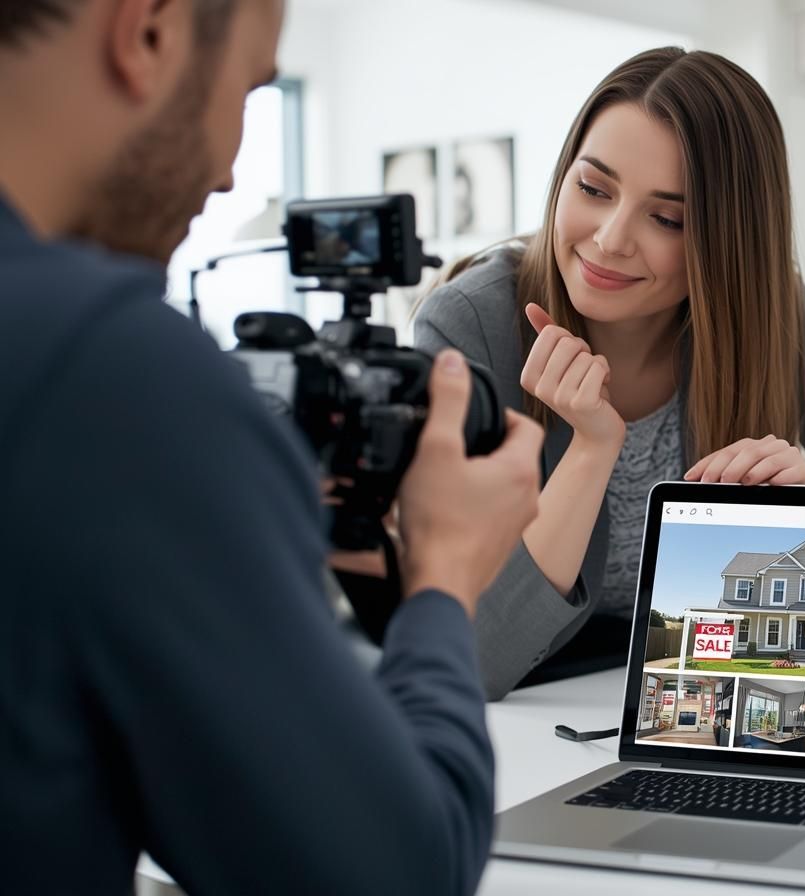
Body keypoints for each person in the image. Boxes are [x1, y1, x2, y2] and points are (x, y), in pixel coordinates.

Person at [0, 1, 544, 893]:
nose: (223, 175)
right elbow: (394, 869)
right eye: (251, 91)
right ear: (150, 31)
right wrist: (443, 571)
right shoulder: (109, 374)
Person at [415, 47, 805, 700]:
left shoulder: (777, 319)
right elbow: (472, 658)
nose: (608, 237)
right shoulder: (471, 325)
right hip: (526, 711)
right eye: (593, 188)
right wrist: (592, 449)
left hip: (701, 701)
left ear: (727, 241)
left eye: (667, 218)